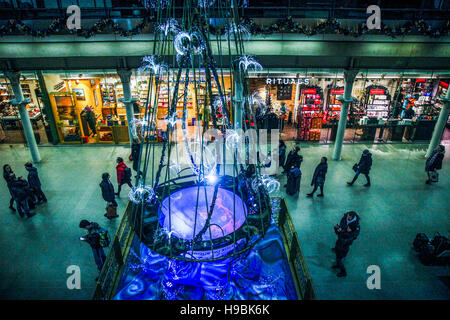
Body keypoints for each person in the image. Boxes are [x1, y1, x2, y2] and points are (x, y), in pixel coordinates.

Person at [332, 211, 360, 277]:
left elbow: (354, 236)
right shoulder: (345, 219)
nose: (348, 218)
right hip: (340, 241)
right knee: (337, 253)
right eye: (348, 216)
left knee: (339, 258)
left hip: (344, 245)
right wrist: (337, 229)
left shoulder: (355, 227)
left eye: (350, 217)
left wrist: (345, 240)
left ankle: (343, 271)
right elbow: (341, 229)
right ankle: (338, 264)